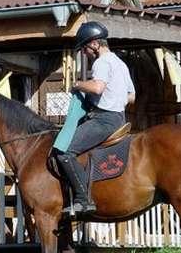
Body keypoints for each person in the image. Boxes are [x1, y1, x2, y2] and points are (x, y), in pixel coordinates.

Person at [49, 21, 136, 216]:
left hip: (103, 120)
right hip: (119, 118)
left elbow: (97, 87)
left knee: (65, 152)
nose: (85, 53)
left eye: (85, 48)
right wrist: (115, 98)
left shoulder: (102, 63)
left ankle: (83, 199)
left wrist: (78, 84)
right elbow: (131, 97)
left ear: (95, 44)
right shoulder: (120, 64)